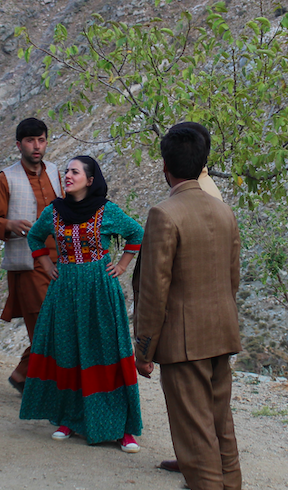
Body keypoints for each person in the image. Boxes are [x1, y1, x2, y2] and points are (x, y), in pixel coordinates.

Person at [134, 126, 242, 488]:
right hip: (221, 333)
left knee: (195, 444)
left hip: (183, 344)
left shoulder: (164, 214)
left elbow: (153, 291)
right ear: (202, 164)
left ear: (165, 166)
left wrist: (144, 349)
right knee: (221, 429)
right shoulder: (223, 211)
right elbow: (233, 280)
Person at [19, 155, 144, 453]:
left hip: (99, 290)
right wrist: (48, 265)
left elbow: (136, 232)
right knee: (68, 352)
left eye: (74, 172)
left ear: (90, 180)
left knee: (108, 352)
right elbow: (35, 237)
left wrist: (124, 265)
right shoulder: (54, 212)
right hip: (65, 291)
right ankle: (68, 418)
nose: (67, 176)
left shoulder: (106, 211)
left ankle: (124, 428)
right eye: (66, 172)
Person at [0, 118, 62, 394]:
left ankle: (22, 376)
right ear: (19, 145)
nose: (36, 146)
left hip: (59, 263)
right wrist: (9, 225)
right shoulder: (6, 179)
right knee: (45, 326)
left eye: (41, 140)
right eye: (30, 141)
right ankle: (35, 382)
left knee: (58, 323)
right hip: (29, 265)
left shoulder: (54, 172)